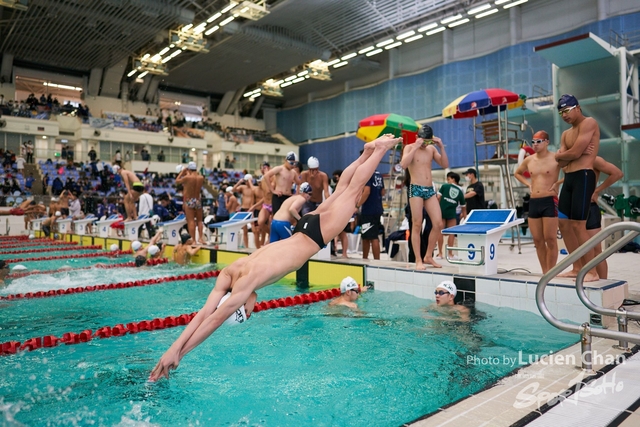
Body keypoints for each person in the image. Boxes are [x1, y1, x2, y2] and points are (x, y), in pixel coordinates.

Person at [149, 134, 400, 381]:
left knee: (351, 191)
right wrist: (176, 346)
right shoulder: (232, 271)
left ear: (240, 302)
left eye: (245, 312)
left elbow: (214, 319)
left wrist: (179, 353)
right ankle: (366, 153)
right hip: (303, 229)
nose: (250, 311)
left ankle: (379, 150)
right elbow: (204, 313)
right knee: (341, 191)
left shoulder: (247, 281)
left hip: (312, 238)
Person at [554, 94, 600, 282]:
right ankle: (577, 266)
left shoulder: (589, 123)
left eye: (566, 110)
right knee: (564, 224)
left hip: (583, 176)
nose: (564, 115)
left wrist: (563, 155)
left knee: (578, 226)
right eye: (560, 112)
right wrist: (564, 156)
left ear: (577, 107)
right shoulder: (566, 134)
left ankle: (592, 271)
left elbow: (573, 152)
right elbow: (563, 160)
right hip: (569, 178)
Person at [560, 156, 623, 280]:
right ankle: (577, 269)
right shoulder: (569, 158)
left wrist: (597, 190)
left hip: (589, 208)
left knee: (596, 250)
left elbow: (617, 173)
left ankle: (604, 285)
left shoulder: (593, 159)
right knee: (579, 246)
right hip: (574, 207)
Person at [400, 127, 449, 270]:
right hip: (415, 189)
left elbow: (445, 164)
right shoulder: (410, 148)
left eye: (427, 141)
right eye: (423, 141)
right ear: (417, 137)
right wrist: (415, 146)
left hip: (429, 190)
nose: (424, 144)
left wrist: (441, 147)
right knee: (417, 224)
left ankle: (428, 256)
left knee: (438, 224)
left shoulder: (432, 149)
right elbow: (403, 164)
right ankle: (418, 260)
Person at [514, 131, 562, 274]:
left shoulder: (556, 158)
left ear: (547, 142)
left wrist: (558, 183)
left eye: (538, 141)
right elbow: (517, 173)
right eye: (533, 141)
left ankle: (551, 272)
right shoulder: (529, 160)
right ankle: (545, 272)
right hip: (534, 200)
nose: (535, 144)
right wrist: (528, 185)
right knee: (538, 240)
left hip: (550, 200)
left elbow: (572, 171)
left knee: (550, 239)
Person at [437, 172, 466, 260]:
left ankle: (440, 253)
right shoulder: (460, 191)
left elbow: (438, 198)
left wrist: (435, 211)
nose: (447, 181)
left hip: (441, 211)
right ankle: (450, 254)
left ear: (453, 179)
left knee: (440, 232)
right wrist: (465, 218)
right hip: (452, 213)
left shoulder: (444, 186)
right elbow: (463, 207)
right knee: (451, 234)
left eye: (448, 179)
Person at [357, 167, 385, 260]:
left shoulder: (367, 173)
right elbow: (383, 192)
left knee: (369, 237)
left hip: (369, 209)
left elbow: (367, 192)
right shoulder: (379, 174)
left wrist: (357, 205)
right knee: (373, 235)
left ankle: (368, 259)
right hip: (378, 208)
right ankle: (372, 259)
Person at [263, 151, 301, 216]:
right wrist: (273, 190)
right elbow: (266, 176)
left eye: (295, 163)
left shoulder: (293, 172)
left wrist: (297, 194)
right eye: (291, 163)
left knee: (287, 217)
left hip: (288, 197)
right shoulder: (279, 169)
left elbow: (299, 183)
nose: (293, 165)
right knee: (276, 216)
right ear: (285, 160)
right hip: (278, 197)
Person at [176, 162, 204, 243]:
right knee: (199, 221)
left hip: (189, 200)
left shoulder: (187, 178)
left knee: (191, 221)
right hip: (197, 200)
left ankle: (194, 240)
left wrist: (182, 172)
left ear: (188, 169)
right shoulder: (201, 177)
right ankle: (201, 238)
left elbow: (177, 181)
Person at [232, 174, 256, 249]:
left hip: (251, 210)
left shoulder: (254, 188)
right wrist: (239, 182)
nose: (246, 183)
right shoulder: (243, 187)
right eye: (245, 181)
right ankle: (246, 247)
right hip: (243, 209)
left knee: (255, 230)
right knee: (245, 230)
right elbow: (233, 190)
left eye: (247, 181)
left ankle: (256, 247)